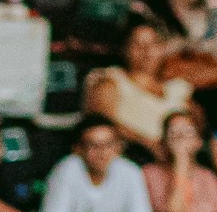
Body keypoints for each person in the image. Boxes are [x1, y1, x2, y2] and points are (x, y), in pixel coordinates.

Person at [83, 22, 194, 158]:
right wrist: (150, 145)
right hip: (132, 156)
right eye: (137, 44)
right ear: (125, 49)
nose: (146, 50)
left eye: (153, 43)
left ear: (163, 48)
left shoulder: (177, 87)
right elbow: (102, 124)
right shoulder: (112, 81)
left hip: (177, 159)